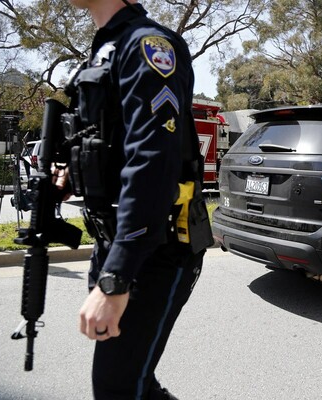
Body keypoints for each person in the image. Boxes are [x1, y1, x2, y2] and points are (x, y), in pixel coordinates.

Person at [63, 0, 213, 398]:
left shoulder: (148, 44)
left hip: (157, 247)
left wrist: (116, 279)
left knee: (117, 387)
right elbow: (110, 149)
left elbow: (152, 165)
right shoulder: (106, 48)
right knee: (129, 382)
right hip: (117, 241)